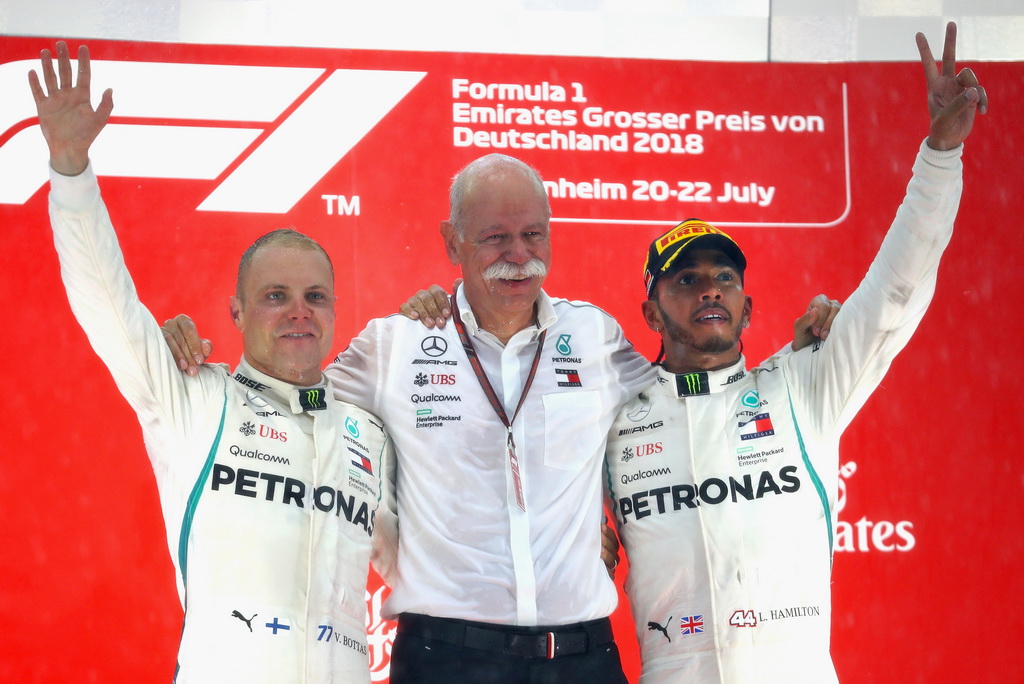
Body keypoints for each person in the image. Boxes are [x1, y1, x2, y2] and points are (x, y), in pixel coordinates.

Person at [164, 155, 838, 684]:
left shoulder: (595, 337)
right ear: (452, 241)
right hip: (446, 657)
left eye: (532, 234)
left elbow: (689, 392)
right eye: (494, 238)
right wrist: (196, 370)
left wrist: (797, 362)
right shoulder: (397, 343)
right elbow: (292, 395)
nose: (518, 254)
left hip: (580, 657)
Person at [605, 22, 986, 684]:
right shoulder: (608, 418)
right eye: (686, 279)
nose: (710, 289)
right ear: (651, 313)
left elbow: (894, 290)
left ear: (749, 308)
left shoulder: (802, 384)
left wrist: (940, 157)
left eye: (725, 277)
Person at [31, 41, 391, 684]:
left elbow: (432, 568)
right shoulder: (195, 398)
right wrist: (70, 171)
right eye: (275, 296)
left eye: (314, 297)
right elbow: (106, 303)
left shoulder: (368, 434)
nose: (298, 312)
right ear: (237, 313)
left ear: (335, 310)